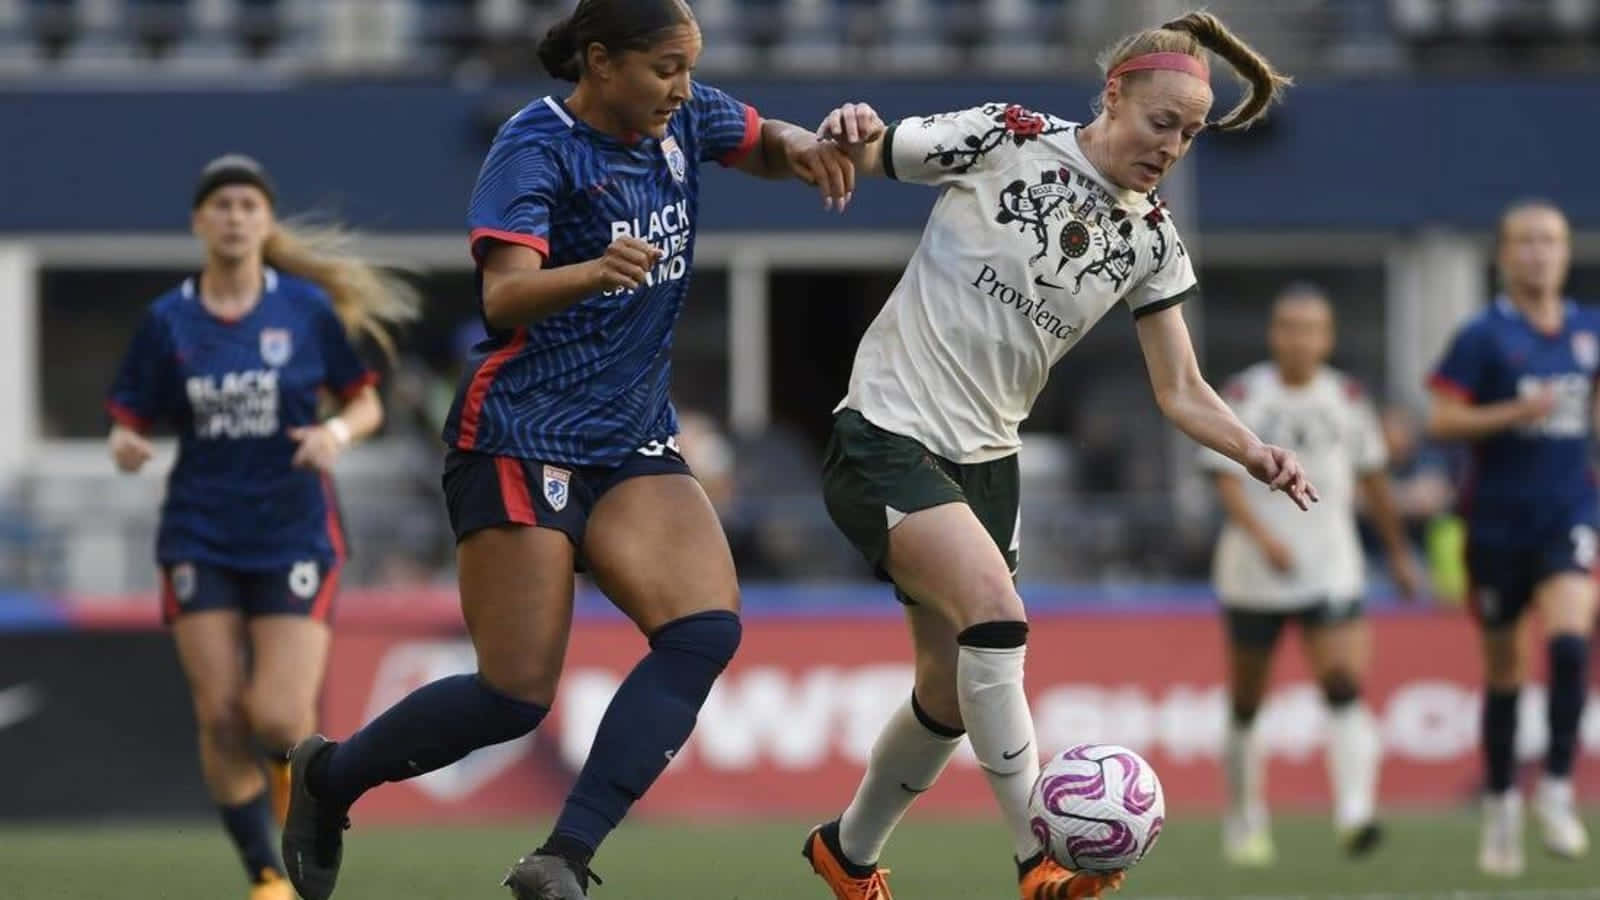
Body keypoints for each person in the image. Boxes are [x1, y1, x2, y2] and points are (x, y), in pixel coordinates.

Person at [277, 2, 858, 899]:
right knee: (513, 695)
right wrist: (593, 270)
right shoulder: (533, 147)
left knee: (704, 628)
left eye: (690, 66)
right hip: (519, 433)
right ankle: (328, 779)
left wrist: (803, 143)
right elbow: (503, 299)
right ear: (600, 62)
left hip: (628, 433)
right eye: (666, 67)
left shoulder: (683, 115)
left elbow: (761, 140)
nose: (684, 85)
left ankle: (565, 857)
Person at [801, 11, 1317, 900]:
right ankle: (1038, 859)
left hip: (987, 463)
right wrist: (849, 126)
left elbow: (1181, 389)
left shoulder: (1152, 239)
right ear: (1115, 94)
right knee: (997, 619)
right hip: (886, 431)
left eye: (1190, 136)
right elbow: (874, 148)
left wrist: (1254, 450)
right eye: (1163, 123)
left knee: (951, 693)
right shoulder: (1006, 135)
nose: (1173, 146)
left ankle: (845, 854)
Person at [106, 154, 417, 900]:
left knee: (277, 718)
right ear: (199, 223)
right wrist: (125, 442)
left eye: (249, 204)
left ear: (266, 221)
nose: (236, 216)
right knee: (219, 715)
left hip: (292, 531)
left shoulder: (305, 309)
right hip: (199, 532)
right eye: (222, 204)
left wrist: (334, 436)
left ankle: (297, 789)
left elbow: (365, 401)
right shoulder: (168, 320)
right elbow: (128, 413)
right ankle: (267, 876)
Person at [1202, 284, 1422, 867]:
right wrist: (1264, 536)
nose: (1297, 338)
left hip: (1329, 564)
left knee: (1344, 683)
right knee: (1248, 699)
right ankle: (1245, 820)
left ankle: (1355, 812)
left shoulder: (1347, 397)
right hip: (1255, 570)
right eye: (1287, 326)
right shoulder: (1246, 394)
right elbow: (1223, 478)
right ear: (1273, 334)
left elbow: (1374, 479)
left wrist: (1399, 554)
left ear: (1327, 337)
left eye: (1310, 327)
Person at [1427, 199, 1595, 876]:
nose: (1538, 253)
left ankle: (1555, 788)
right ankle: (1500, 805)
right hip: (1495, 524)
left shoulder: (1588, 329)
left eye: (1549, 241)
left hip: (1569, 515)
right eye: (1524, 242)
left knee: (1571, 643)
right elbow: (1442, 422)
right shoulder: (1482, 336)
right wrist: (1513, 412)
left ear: (1565, 251)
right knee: (1504, 675)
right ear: (1503, 255)